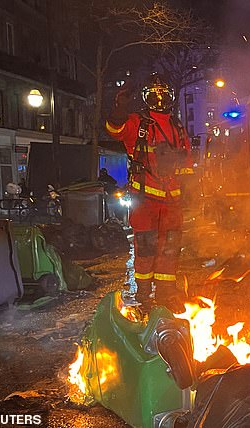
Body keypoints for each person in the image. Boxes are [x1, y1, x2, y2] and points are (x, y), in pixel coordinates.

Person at [106, 72, 194, 313]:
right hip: (145, 199)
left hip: (172, 201)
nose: (158, 99)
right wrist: (118, 108)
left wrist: (190, 189)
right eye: (154, 94)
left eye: (162, 94)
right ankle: (144, 294)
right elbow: (115, 130)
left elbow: (187, 160)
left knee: (170, 247)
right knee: (145, 247)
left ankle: (166, 292)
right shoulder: (138, 123)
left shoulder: (177, 126)